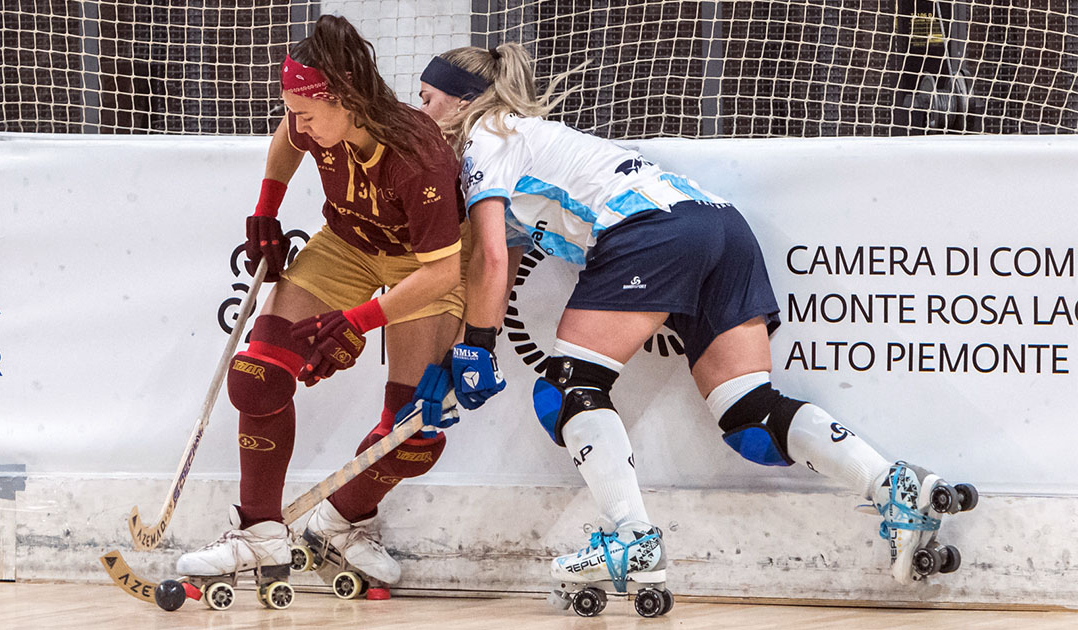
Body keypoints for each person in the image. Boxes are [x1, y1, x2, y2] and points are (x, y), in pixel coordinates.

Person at [415, 44, 978, 606]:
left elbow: (488, 257)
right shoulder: (529, 138)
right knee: (749, 414)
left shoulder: (487, 137)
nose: (418, 112)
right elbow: (502, 264)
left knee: (568, 389)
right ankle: (896, 486)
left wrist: (480, 348)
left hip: (652, 231)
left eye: (426, 98)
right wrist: (459, 354)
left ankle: (631, 540)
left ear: (464, 102)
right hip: (717, 222)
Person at [175, 15, 466, 596]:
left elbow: (443, 272)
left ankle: (341, 522)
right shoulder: (310, 121)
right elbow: (288, 136)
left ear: (349, 99)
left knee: (412, 435)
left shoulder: (418, 156)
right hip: (348, 245)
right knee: (256, 377)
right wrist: (266, 208)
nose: (298, 122)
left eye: (308, 111)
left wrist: (359, 319)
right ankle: (259, 532)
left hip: (423, 267)